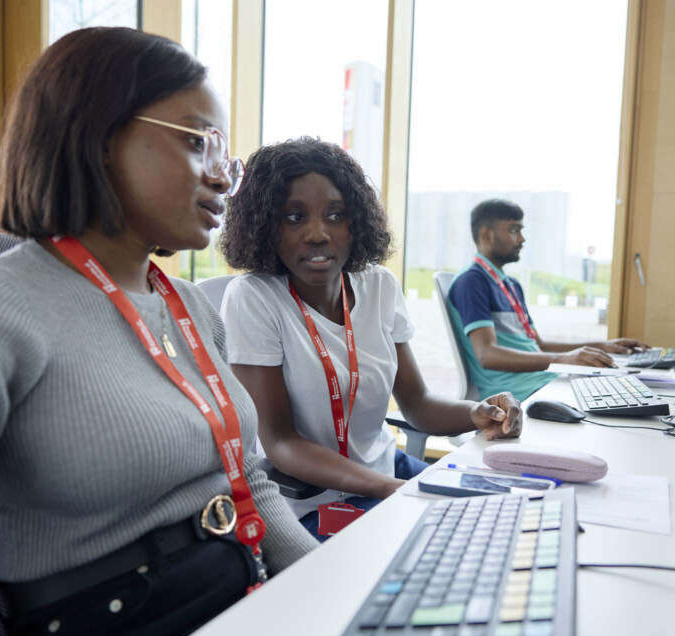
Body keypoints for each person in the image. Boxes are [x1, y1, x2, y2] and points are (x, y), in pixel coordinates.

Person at [0, 28, 319, 636]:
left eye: (227, 154)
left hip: (243, 617)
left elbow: (249, 485)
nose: (224, 178)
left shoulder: (190, 307)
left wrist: (345, 593)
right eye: (197, 143)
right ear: (96, 135)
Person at [218, 137, 524, 541]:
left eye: (335, 215)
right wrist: (388, 490)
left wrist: (476, 413)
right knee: (449, 543)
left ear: (355, 222)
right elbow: (279, 441)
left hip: (386, 473)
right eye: (294, 217)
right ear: (265, 225)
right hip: (307, 504)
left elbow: (417, 404)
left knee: (509, 514)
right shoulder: (253, 298)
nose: (317, 233)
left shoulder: (379, 286)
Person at [447, 199, 649, 401]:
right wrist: (564, 359)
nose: (522, 239)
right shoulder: (472, 281)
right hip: (516, 396)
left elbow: (539, 345)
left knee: (625, 389)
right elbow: (487, 355)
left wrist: (602, 346)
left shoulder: (511, 284)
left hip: (546, 382)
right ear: (486, 235)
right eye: (514, 230)